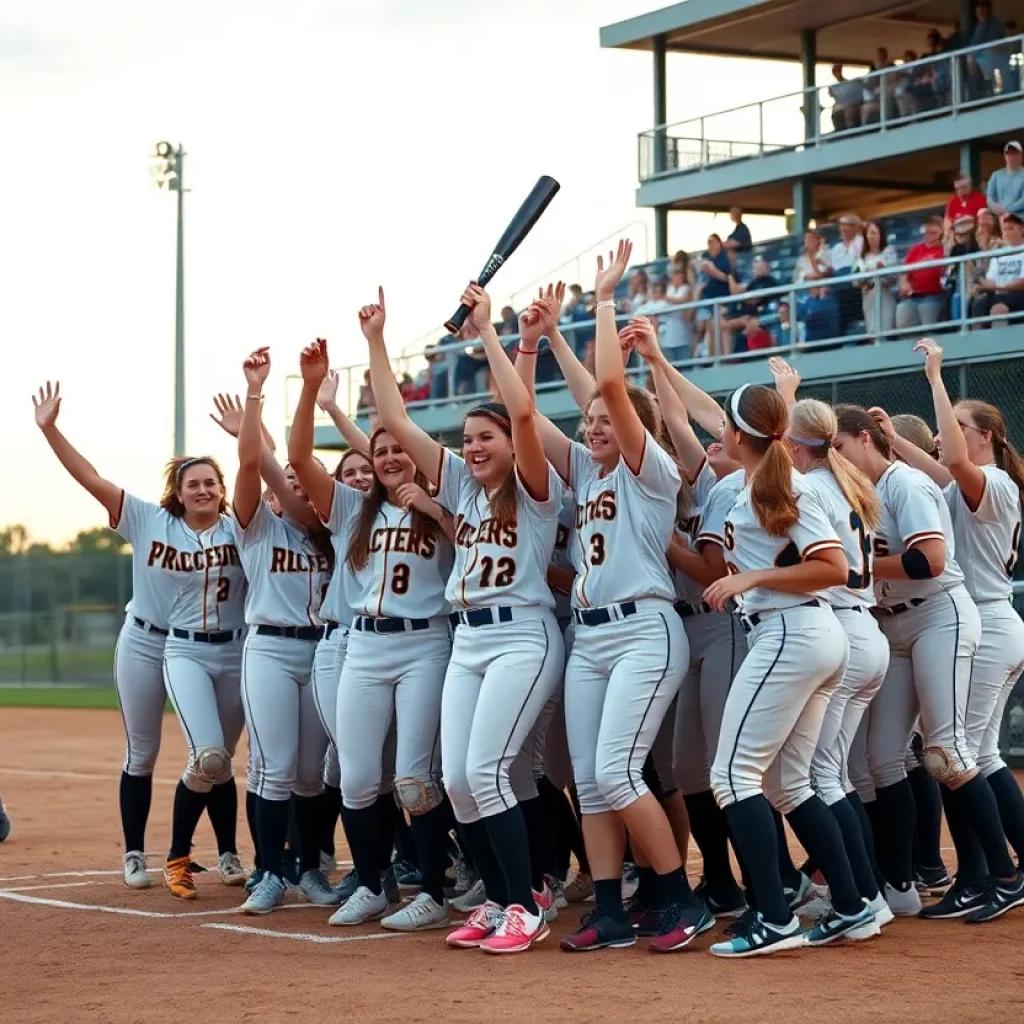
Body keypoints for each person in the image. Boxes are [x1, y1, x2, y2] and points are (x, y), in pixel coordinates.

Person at [365, 283, 565, 955]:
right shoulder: (461, 489)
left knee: (488, 771)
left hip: (523, 636)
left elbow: (527, 414)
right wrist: (375, 343)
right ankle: (505, 898)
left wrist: (486, 332)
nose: (474, 447)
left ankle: (525, 904)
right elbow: (396, 416)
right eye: (469, 440)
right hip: (470, 639)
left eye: (486, 438)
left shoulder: (535, 488)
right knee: (456, 781)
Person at [523, 246, 711, 955]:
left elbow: (607, 383)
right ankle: (607, 907)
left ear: (633, 424)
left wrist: (601, 299)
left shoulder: (649, 470)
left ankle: (678, 897)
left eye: (608, 420)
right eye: (590, 424)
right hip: (591, 635)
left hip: (643, 631)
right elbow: (531, 416)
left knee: (615, 770)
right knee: (594, 786)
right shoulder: (591, 475)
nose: (595, 426)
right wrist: (531, 345)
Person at [32, 381, 243, 891]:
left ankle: (230, 853)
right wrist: (50, 429)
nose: (203, 490)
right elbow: (90, 477)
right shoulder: (147, 518)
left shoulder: (242, 527)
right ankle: (133, 853)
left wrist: (247, 435)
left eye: (211, 483)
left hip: (223, 647)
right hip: (149, 643)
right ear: (178, 489)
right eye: (193, 483)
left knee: (218, 758)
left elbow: (274, 481)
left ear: (222, 488)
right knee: (142, 752)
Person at [700, 384, 878, 958]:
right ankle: (853, 906)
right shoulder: (766, 478)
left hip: (792, 632)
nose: (718, 433)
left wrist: (752, 579)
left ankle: (773, 918)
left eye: (724, 425)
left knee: (731, 777)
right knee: (788, 784)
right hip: (806, 634)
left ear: (736, 435)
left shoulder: (783, 483)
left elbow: (833, 568)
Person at [288, 338, 457, 931]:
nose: (388, 458)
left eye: (396, 449)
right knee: (357, 777)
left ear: (415, 455)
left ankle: (434, 892)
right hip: (363, 644)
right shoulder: (351, 510)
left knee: (414, 778)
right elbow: (302, 456)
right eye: (378, 451)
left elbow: (484, 547)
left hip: (425, 643)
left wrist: (434, 509)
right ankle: (370, 883)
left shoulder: (444, 501)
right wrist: (312, 388)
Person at [833, 404, 1024, 923]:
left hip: (943, 613)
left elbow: (929, 561)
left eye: (841, 444)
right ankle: (903, 881)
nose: (836, 456)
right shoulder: (869, 490)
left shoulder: (911, 485)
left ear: (864, 441)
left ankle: (1002, 876)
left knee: (950, 752)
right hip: (895, 625)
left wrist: (855, 569)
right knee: (884, 756)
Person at [880, 341, 1024, 919]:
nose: (945, 437)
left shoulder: (993, 482)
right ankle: (985, 875)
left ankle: (999, 875)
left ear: (985, 435)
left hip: (985, 622)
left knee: (962, 755)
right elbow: (942, 468)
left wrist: (935, 378)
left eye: (958, 426)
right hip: (984, 622)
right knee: (970, 754)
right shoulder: (967, 483)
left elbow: (955, 466)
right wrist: (890, 438)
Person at [769, 361, 893, 931]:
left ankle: (862, 897)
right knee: (832, 776)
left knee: (819, 778)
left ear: (796, 445)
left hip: (840, 626)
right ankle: (868, 895)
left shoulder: (810, 482)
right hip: (863, 631)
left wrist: (782, 400)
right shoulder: (844, 479)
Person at [229, 348, 335, 915]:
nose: (295, 487)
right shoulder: (256, 528)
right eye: (287, 479)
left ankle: (312, 869)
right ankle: (269, 872)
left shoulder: (327, 531)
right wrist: (254, 395)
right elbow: (250, 464)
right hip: (269, 648)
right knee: (271, 769)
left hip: (319, 650)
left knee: (311, 774)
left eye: (303, 481)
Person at [969, 212, 1024, 324]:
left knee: (999, 307)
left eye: (1011, 228)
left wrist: (999, 287)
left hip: (1018, 293)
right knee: (977, 302)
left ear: (1022, 229)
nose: (1007, 232)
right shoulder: (999, 253)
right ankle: (978, 340)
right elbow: (991, 279)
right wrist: (981, 287)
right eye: (1005, 229)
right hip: (999, 293)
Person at [895, 216, 947, 330]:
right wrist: (904, 282)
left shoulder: (944, 250)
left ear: (942, 233)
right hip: (912, 296)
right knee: (902, 319)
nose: (928, 236)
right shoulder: (915, 249)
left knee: (928, 321)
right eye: (927, 232)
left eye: (933, 233)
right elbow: (904, 271)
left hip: (934, 295)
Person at [854, 219, 898, 336]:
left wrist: (881, 269)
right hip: (868, 298)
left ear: (881, 235)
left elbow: (893, 274)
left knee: (887, 328)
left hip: (885, 295)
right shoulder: (861, 258)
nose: (872, 236)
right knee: (872, 330)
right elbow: (855, 281)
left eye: (875, 233)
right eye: (869, 233)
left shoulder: (889, 251)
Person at [695, 234, 732, 357]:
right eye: (709, 243)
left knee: (716, 325)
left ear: (719, 244)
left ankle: (723, 357)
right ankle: (710, 358)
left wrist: (712, 270)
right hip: (708, 302)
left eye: (713, 242)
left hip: (723, 301)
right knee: (703, 327)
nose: (711, 246)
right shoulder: (708, 260)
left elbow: (727, 278)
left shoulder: (724, 259)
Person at [986, 141, 1024, 216]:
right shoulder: (996, 175)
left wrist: (1007, 210)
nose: (1012, 156)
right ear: (1005, 155)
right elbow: (990, 197)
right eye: (1009, 153)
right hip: (1000, 216)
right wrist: (996, 208)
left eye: (1015, 153)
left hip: (1019, 218)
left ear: (1021, 155)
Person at [829, 65, 864, 132]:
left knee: (849, 112)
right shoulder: (834, 87)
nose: (837, 73)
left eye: (838, 70)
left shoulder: (852, 83)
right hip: (840, 108)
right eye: (835, 72)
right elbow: (834, 96)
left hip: (854, 105)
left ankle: (851, 133)